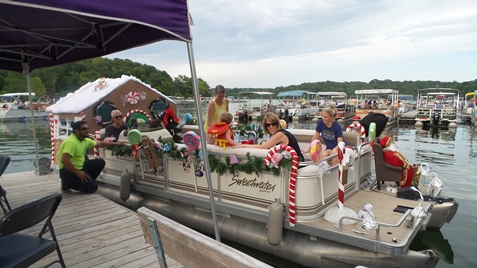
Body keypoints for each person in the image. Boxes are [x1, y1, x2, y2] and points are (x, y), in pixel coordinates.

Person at [58, 121, 124, 193]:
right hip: (68, 171)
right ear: (76, 131)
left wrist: (116, 143)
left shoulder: (84, 140)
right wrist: (78, 173)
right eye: (84, 129)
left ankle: (86, 181)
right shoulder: (71, 142)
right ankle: (67, 184)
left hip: (80, 166)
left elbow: (100, 143)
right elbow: (64, 160)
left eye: (88, 128)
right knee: (93, 188)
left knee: (100, 162)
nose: (87, 131)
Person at [234, 113, 304, 161]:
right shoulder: (282, 132)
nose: (271, 127)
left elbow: (264, 147)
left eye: (273, 124)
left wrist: (244, 146)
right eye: (268, 125)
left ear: (277, 124)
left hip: (297, 164)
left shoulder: (280, 134)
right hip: (294, 162)